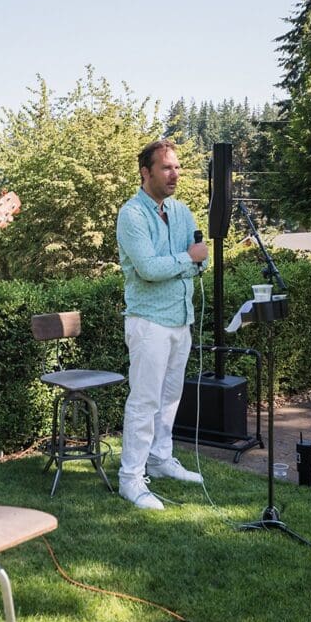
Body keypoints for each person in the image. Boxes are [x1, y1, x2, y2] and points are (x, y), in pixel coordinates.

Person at [115, 139, 208, 510]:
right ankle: (131, 479)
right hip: (148, 322)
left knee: (169, 399)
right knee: (144, 401)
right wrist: (187, 258)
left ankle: (160, 458)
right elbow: (150, 270)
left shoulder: (182, 211)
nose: (175, 174)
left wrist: (189, 259)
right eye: (167, 168)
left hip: (181, 319)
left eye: (177, 167)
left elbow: (202, 261)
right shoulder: (132, 214)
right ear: (146, 172)